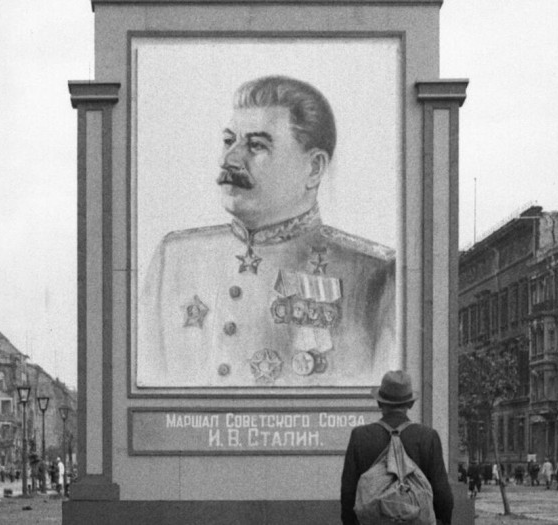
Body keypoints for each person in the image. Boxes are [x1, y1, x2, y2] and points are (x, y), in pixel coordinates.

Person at [139, 75, 397, 388]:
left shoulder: (375, 275)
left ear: (313, 168)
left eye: (256, 146)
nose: (230, 159)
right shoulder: (175, 259)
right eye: (228, 140)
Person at [341, 371, 453, 525]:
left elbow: (348, 493)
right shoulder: (428, 437)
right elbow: (442, 494)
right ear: (411, 403)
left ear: (379, 403)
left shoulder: (360, 436)